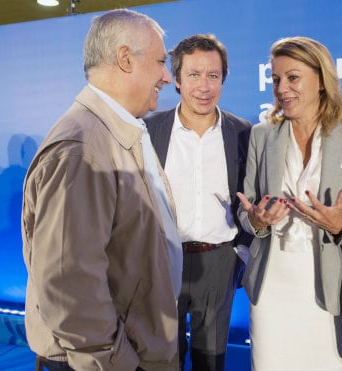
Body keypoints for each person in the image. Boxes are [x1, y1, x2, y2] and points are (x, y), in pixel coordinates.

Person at [21, 9, 182, 371]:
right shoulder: (83, 149)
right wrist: (118, 362)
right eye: (160, 62)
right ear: (125, 59)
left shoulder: (118, 131)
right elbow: (69, 284)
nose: (167, 77)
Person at [235, 36, 342, 371]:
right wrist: (256, 221)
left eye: (293, 77)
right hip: (272, 283)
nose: (282, 88)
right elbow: (246, 210)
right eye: (276, 80)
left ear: (320, 80)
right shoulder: (261, 135)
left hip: (330, 285)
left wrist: (341, 225)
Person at [144, 34, 252, 371]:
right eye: (193, 75)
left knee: (212, 360)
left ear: (223, 79)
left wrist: (240, 255)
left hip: (219, 261)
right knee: (163, 357)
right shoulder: (148, 131)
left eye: (213, 76)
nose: (204, 86)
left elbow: (251, 198)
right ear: (176, 80)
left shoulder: (243, 132)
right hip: (162, 260)